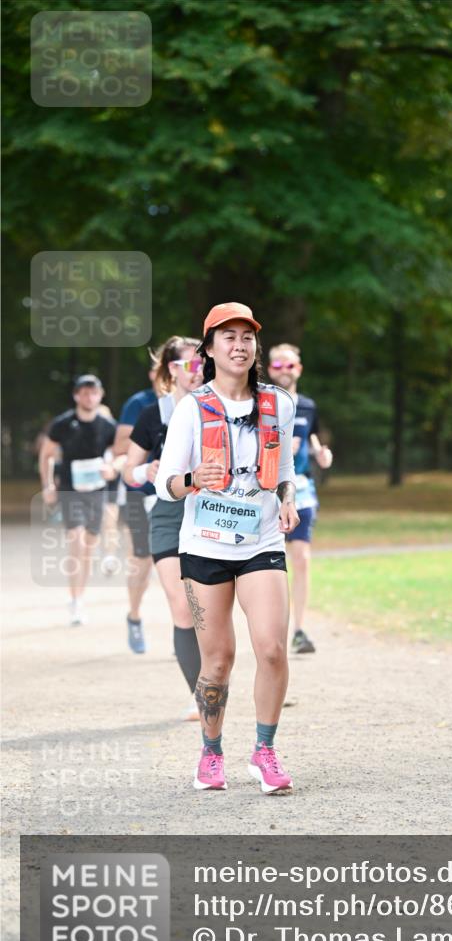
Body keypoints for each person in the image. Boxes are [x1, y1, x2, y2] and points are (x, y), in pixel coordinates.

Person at [155, 302, 300, 794]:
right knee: (217, 659)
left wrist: (287, 500)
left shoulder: (279, 403)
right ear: (210, 349)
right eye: (228, 337)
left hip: (262, 539)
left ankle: (264, 751)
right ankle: (211, 753)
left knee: (273, 649)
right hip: (205, 544)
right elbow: (164, 484)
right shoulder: (192, 408)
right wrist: (193, 479)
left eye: (247, 337)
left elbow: (284, 473)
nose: (239, 345)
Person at [124, 337, 203, 719]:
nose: (199, 369)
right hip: (169, 513)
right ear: (173, 370)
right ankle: (201, 695)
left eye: (203, 362)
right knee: (182, 607)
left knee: (209, 607)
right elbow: (128, 468)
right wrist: (145, 470)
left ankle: (218, 676)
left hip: (212, 511)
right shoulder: (152, 414)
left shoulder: (220, 407)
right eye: (190, 364)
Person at [268, 343, 333, 653]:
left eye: (289, 366)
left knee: (302, 560)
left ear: (299, 369)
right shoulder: (262, 402)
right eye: (278, 366)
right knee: (270, 563)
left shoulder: (307, 405)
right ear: (269, 370)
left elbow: (313, 438)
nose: (284, 371)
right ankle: (271, 628)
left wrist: (321, 453)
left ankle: (300, 630)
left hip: (303, 488)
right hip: (269, 491)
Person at [39, 375, 116, 625]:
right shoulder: (62, 424)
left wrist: (112, 466)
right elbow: (47, 454)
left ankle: (79, 596)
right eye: (83, 392)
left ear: (100, 395)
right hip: (70, 491)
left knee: (89, 548)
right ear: (76, 395)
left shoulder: (107, 426)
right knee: (76, 540)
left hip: (96, 491)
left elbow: (121, 454)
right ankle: (75, 600)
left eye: (93, 392)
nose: (88, 397)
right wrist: (48, 484)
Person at [113, 370, 157, 653]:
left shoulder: (199, 399)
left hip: (180, 492)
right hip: (138, 489)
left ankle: (186, 631)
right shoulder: (139, 403)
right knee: (142, 560)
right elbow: (118, 446)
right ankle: (135, 615)